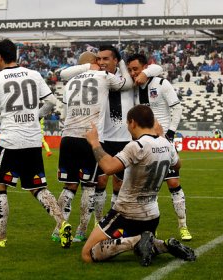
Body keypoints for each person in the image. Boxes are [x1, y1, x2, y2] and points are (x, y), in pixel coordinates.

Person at [59, 46, 163, 242]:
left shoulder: (128, 78)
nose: (102, 61)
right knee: (99, 182)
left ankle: (119, 224)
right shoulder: (100, 78)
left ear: (116, 60)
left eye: (106, 58)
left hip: (125, 139)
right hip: (103, 138)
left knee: (121, 185)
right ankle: (92, 226)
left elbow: (158, 69)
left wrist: (144, 73)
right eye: (99, 59)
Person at [0, 39, 72, 249]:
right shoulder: (34, 75)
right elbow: (50, 102)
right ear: (16, 55)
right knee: (38, 188)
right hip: (32, 140)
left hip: (10, 141)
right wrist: (35, 116)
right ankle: (62, 223)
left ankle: (0, 238)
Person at [82, 105, 196, 265]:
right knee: (140, 250)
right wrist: (163, 136)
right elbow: (177, 165)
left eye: (128, 123)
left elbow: (108, 167)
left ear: (133, 123)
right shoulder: (166, 144)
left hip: (126, 213)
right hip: (151, 216)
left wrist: (94, 142)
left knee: (87, 254)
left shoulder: (137, 146)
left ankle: (135, 240)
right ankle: (163, 245)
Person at [52, 50, 134, 242]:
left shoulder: (70, 82)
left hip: (68, 137)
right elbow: (127, 83)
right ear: (94, 62)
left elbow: (64, 111)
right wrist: (120, 63)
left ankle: (59, 227)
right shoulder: (104, 76)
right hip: (90, 137)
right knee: (89, 186)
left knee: (69, 186)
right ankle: (82, 230)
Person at [126, 53, 193, 241]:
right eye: (130, 70)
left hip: (163, 140)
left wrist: (170, 133)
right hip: (141, 144)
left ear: (145, 68)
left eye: (136, 69)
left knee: (173, 183)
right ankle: (147, 230)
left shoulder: (162, 84)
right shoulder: (130, 89)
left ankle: (183, 225)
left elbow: (177, 107)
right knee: (144, 187)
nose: (133, 73)